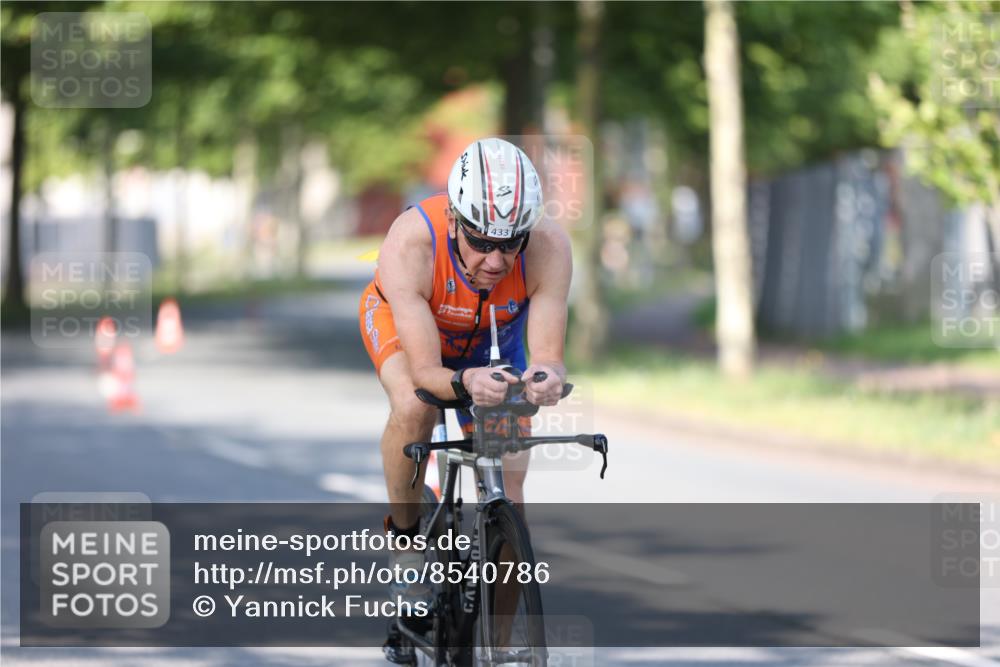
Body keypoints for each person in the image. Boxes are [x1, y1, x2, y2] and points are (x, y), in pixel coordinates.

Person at [358, 138, 572, 659]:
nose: (496, 260)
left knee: (512, 499)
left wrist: (543, 379)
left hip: (496, 335)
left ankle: (495, 649)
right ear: (454, 218)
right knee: (415, 406)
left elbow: (546, 356)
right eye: (481, 241)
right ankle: (407, 548)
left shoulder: (549, 247)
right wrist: (463, 382)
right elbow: (429, 373)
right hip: (416, 329)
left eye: (510, 243)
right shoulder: (411, 241)